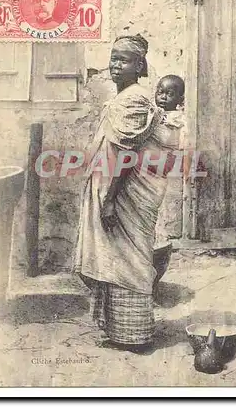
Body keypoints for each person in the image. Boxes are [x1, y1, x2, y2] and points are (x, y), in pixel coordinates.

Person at [74, 34, 182, 353]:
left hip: (125, 195)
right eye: (113, 58)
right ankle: (121, 331)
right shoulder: (123, 97)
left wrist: (109, 201)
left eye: (124, 60)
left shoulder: (133, 99)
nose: (115, 65)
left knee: (128, 260)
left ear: (139, 66)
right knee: (116, 259)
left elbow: (126, 156)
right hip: (116, 190)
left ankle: (134, 335)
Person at [152, 75, 186, 299]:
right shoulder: (156, 115)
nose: (163, 97)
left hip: (160, 174)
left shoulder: (176, 119)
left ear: (180, 99)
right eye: (160, 92)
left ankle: (152, 283)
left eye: (169, 94)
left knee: (159, 228)